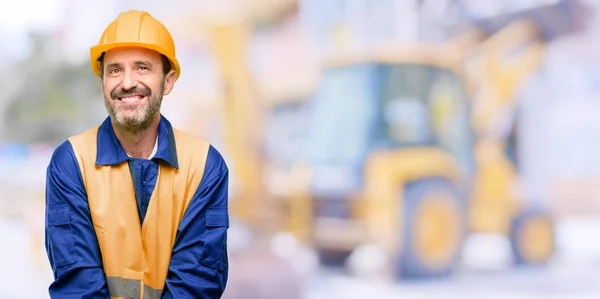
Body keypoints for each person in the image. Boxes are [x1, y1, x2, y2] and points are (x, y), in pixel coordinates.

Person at [44, 10, 229, 298]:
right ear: (102, 82)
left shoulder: (205, 166)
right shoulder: (71, 162)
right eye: (115, 70)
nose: (127, 82)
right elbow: (79, 285)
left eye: (142, 68)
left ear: (168, 81)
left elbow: (195, 285)